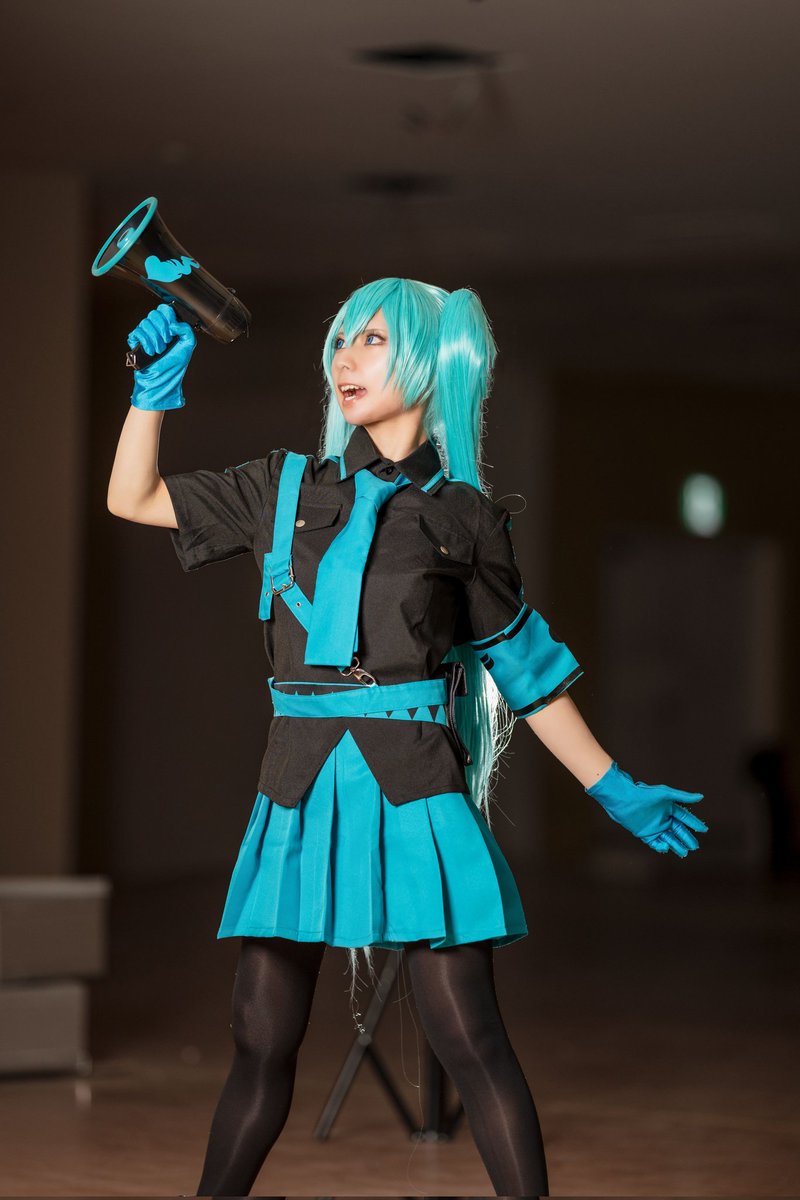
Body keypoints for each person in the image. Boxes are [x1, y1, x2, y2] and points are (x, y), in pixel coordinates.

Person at [107, 277, 709, 1197]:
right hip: (297, 790)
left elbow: (526, 673)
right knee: (259, 1041)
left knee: (472, 1042)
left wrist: (611, 785)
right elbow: (134, 497)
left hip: (416, 792)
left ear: (430, 363)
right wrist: (152, 394)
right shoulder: (280, 487)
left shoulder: (465, 517)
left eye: (374, 340)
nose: (345, 359)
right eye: (341, 341)